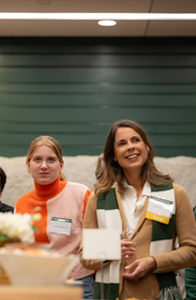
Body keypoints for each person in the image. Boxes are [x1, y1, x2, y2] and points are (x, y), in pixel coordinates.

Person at [81, 119, 196, 300]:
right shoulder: (99, 198)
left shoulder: (175, 193)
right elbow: (85, 255)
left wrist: (153, 262)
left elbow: (192, 251)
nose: (130, 147)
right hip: (110, 294)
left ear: (147, 148)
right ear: (113, 156)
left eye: (136, 140)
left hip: (158, 293)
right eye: (122, 143)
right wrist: (111, 248)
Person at [15, 135, 94, 299]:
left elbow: (97, 244)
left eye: (51, 160)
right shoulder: (21, 204)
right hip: (36, 285)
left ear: (61, 165)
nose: (44, 166)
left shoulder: (82, 194)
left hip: (78, 283)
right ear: (28, 165)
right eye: (37, 159)